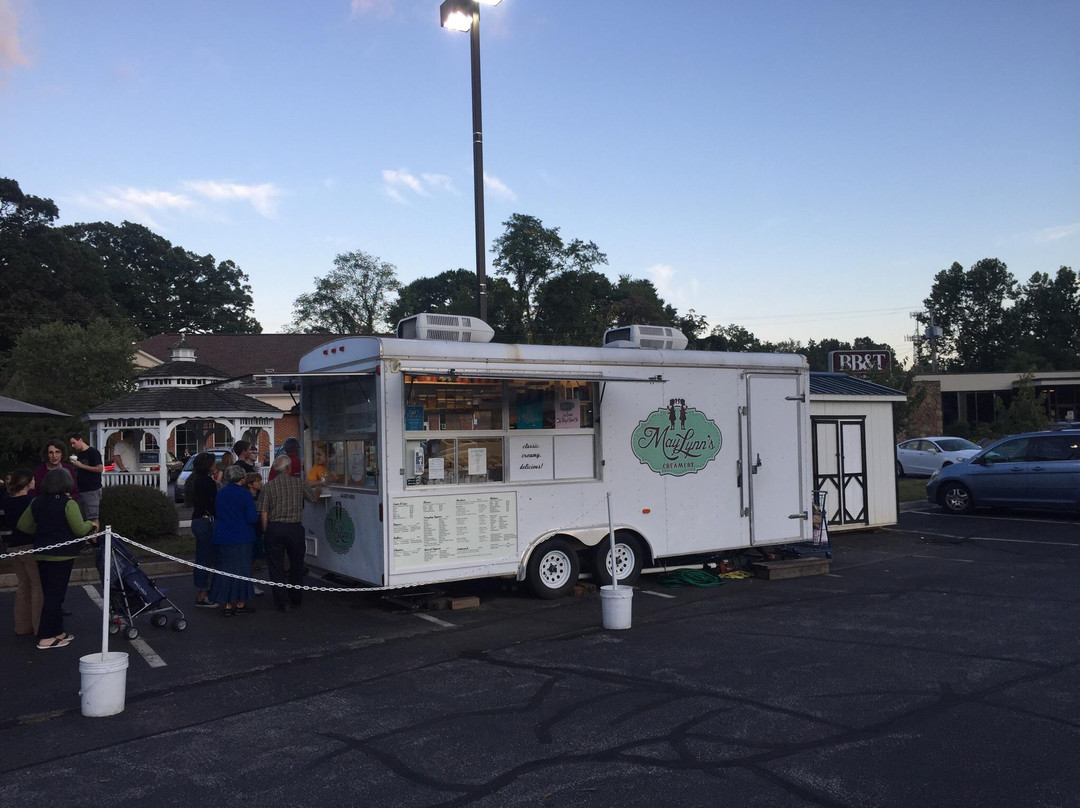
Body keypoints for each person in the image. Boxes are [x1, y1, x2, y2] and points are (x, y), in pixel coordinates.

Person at [17, 468, 95, 649]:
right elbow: (79, 530)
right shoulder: (69, 503)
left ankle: (57, 631)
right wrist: (90, 524)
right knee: (55, 596)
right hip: (62, 554)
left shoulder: (36, 501)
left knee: (50, 594)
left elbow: (23, 525)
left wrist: (42, 531)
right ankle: (46, 636)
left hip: (42, 552)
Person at [259, 456, 322, 612]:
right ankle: (295, 597)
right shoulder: (299, 483)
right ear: (288, 468)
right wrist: (318, 491)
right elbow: (312, 499)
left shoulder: (268, 486)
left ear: (275, 470)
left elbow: (264, 512)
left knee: (276, 566)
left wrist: (265, 530)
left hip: (275, 527)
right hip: (294, 527)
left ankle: (282, 602)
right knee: (296, 564)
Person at [208, 465, 259, 616]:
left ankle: (227, 604)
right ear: (242, 478)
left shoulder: (221, 493)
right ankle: (240, 604)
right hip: (242, 536)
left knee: (224, 569)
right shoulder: (245, 494)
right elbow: (252, 517)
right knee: (242, 570)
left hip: (222, 535)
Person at [2, 469, 43, 637]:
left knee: (23, 585)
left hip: (12, 545)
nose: (34, 482)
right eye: (32, 480)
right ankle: (39, 626)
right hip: (29, 545)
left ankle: (22, 626)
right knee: (37, 585)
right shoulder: (31, 501)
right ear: (27, 483)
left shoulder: (6, 500)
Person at [185, 452, 220, 607]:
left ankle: (203, 591)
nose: (216, 465)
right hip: (206, 522)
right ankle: (203, 594)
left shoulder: (196, 480)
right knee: (206, 558)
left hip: (197, 520)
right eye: (213, 463)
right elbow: (213, 503)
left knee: (202, 556)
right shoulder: (207, 482)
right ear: (208, 466)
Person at [68, 432, 104, 521]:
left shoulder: (93, 453)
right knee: (82, 519)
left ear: (80, 440)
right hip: (80, 490)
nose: (73, 446)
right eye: (71, 444)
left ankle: (95, 531)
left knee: (93, 518)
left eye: (74, 443)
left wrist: (81, 466)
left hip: (92, 490)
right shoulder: (80, 454)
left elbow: (100, 469)